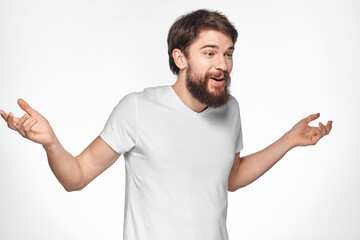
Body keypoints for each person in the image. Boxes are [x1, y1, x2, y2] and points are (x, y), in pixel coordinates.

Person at [0, 9, 332, 240]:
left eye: (229, 54)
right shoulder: (137, 109)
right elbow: (77, 176)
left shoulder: (230, 109)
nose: (223, 65)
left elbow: (230, 178)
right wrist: (51, 143)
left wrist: (289, 140)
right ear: (180, 58)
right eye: (210, 53)